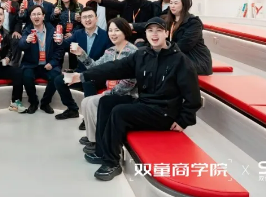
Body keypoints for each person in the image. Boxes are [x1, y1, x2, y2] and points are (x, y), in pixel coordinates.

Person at [71, 17, 201, 181]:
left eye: (159, 30)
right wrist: (83, 76)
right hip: (144, 104)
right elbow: (115, 68)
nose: (154, 34)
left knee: (120, 112)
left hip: (164, 113)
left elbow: (193, 95)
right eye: (150, 31)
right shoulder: (142, 55)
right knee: (106, 102)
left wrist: (184, 120)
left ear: (166, 33)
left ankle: (112, 163)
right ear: (145, 34)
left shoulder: (181, 60)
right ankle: (102, 151)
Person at [70, 18, 137, 154]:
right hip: (111, 91)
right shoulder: (110, 51)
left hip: (127, 95)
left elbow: (130, 81)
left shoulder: (133, 52)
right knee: (86, 101)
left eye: (117, 30)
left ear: (125, 31)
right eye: (110, 30)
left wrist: (108, 94)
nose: (113, 33)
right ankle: (93, 138)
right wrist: (81, 54)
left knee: (93, 102)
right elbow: (95, 68)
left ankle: (98, 140)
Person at [53, 7, 112, 123]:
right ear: (81, 20)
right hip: (81, 72)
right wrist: (59, 41)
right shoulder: (78, 33)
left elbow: (108, 61)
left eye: (90, 16)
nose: (87, 19)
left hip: (99, 74)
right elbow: (65, 45)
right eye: (84, 17)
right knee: (59, 80)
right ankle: (72, 109)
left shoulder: (106, 36)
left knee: (87, 81)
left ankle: (89, 118)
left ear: (96, 18)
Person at [18, 5, 63, 114]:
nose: (36, 16)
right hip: (31, 64)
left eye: (39, 14)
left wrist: (52, 63)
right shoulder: (27, 30)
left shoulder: (52, 30)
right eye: (33, 14)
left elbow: (59, 50)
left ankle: (45, 103)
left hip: (48, 64)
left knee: (56, 77)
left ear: (43, 16)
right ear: (30, 17)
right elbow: (21, 45)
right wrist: (26, 41)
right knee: (26, 76)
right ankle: (33, 102)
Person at [163, 0, 212, 75]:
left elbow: (185, 45)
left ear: (184, 5)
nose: (172, 6)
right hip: (177, 57)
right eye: (171, 3)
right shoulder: (169, 21)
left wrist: (164, 53)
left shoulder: (193, 22)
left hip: (196, 60)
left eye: (176, 3)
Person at [51, 0, 84, 71]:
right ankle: (58, 74)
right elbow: (52, 21)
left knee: (74, 59)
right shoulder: (55, 7)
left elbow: (83, 24)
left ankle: (74, 74)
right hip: (60, 37)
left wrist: (73, 33)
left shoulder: (79, 6)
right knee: (58, 59)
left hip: (74, 37)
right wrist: (55, 15)